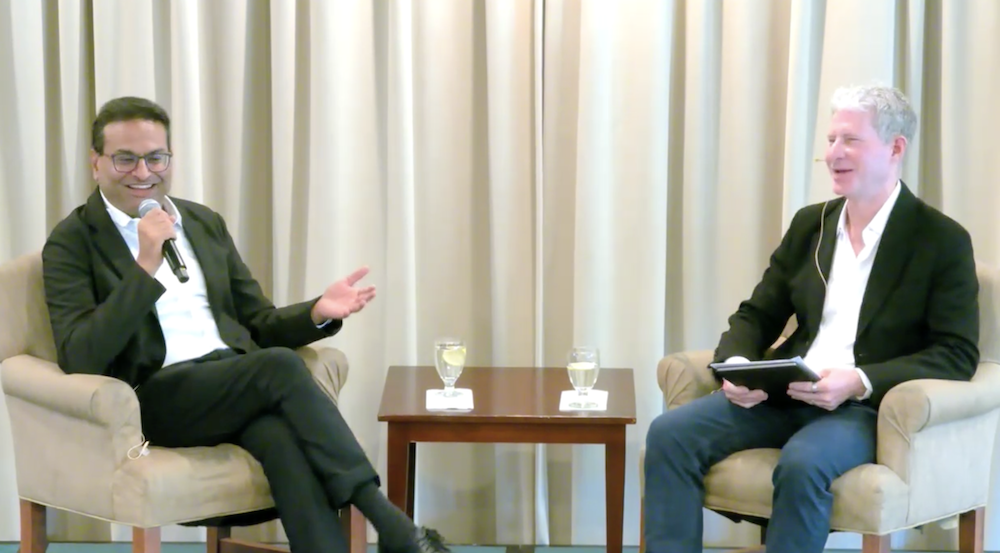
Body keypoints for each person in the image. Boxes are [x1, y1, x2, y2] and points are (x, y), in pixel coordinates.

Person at [42, 96, 450, 553]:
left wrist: (317, 312)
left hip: (233, 381)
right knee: (276, 368)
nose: (143, 173)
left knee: (279, 440)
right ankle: (390, 523)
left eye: (156, 157)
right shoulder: (71, 242)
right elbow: (79, 354)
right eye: (125, 159)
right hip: (154, 397)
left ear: (169, 159)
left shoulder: (201, 222)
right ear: (96, 163)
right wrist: (144, 268)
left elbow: (255, 320)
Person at [643, 84, 980, 553]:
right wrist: (737, 363)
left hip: (859, 409)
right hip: (782, 394)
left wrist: (859, 379)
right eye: (830, 140)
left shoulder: (940, 240)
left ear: (895, 147)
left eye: (850, 141)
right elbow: (757, 313)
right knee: (669, 434)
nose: (833, 154)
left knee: (802, 464)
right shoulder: (811, 224)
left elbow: (956, 353)